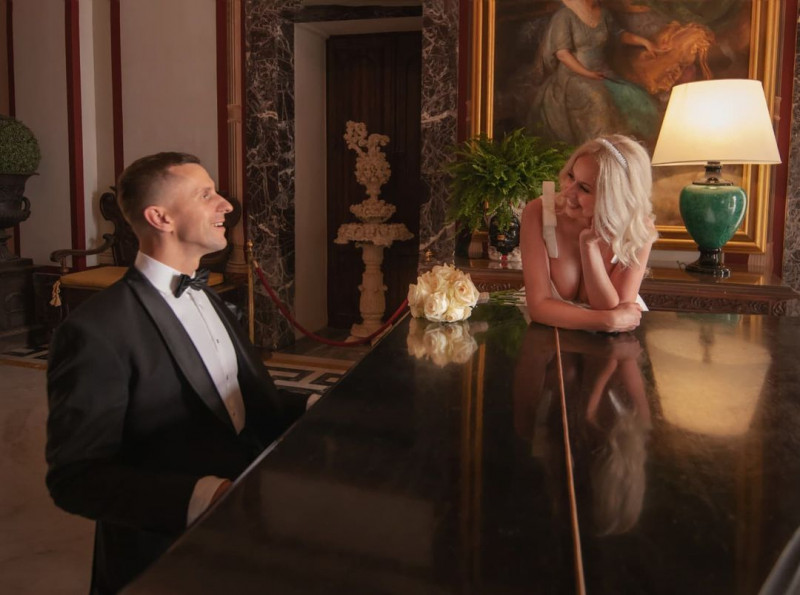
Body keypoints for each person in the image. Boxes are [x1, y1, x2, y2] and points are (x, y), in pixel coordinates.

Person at [45, 152, 311, 594]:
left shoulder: (210, 297)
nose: (226, 205)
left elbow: (237, 404)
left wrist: (317, 405)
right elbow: (75, 478)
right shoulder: (96, 330)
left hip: (247, 536)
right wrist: (205, 496)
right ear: (160, 217)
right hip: (163, 556)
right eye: (206, 195)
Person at [520, 134, 657, 332]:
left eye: (584, 188)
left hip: (611, 342)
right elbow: (539, 307)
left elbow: (615, 310)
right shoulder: (538, 212)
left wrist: (588, 245)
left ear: (615, 197)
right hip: (548, 332)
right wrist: (607, 321)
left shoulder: (638, 230)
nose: (568, 192)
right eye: (571, 176)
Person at [530, 0, 662, 146]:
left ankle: (633, 148)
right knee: (598, 98)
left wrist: (644, 42)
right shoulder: (565, 15)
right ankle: (602, 149)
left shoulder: (603, 13)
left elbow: (618, 34)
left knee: (636, 96)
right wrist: (587, 73)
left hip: (603, 72)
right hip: (573, 76)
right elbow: (562, 54)